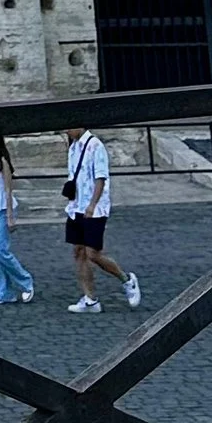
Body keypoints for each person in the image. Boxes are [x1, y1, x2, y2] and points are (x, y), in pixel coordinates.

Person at [63, 120, 142, 311]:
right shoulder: (73, 147)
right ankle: (90, 299)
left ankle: (126, 279)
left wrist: (92, 205)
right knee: (79, 252)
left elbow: (100, 177)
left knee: (93, 253)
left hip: (94, 209)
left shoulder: (95, 146)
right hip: (76, 207)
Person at [0, 133, 36, 305]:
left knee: (1, 250)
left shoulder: (2, 161)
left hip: (2, 209)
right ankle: (4, 292)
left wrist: (10, 216)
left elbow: (8, 189)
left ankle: (26, 282)